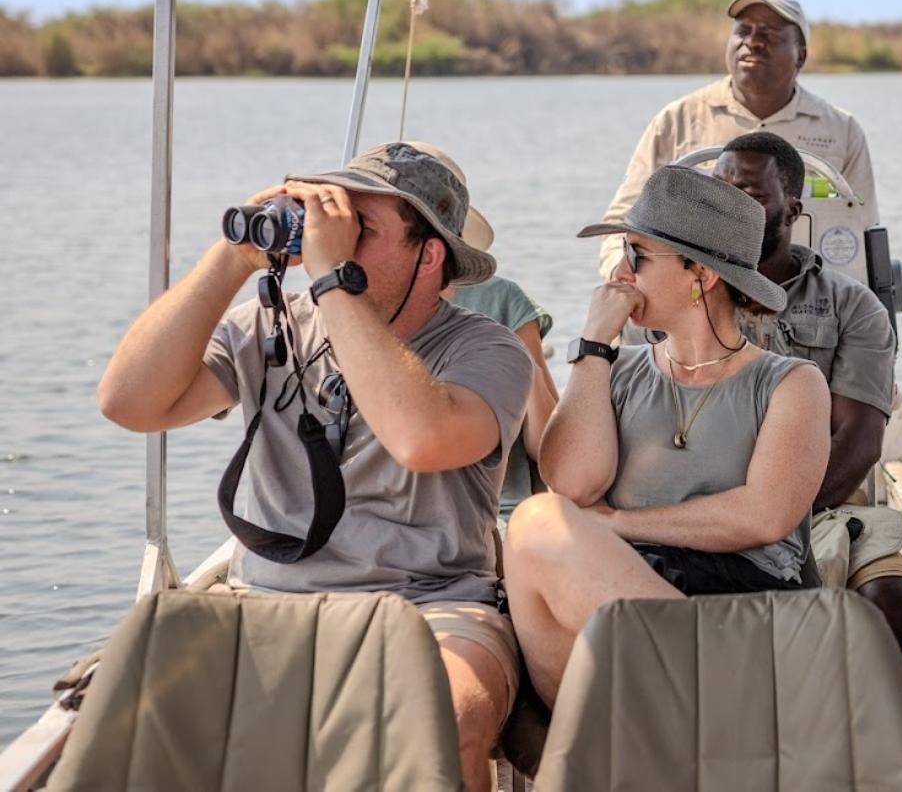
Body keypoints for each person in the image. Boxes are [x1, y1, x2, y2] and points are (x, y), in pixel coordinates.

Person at [97, 142, 534, 792]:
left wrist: (332, 280)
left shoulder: (487, 350)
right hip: (265, 599)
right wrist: (231, 260)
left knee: (447, 719)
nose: (339, 239)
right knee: (124, 721)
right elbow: (128, 404)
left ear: (430, 252)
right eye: (334, 219)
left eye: (364, 229)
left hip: (428, 604)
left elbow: (424, 438)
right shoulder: (269, 325)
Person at [503, 165, 831, 706]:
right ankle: (660, 717)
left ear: (700, 275)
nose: (619, 273)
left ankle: (685, 703)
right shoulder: (615, 369)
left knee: (539, 527)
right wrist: (592, 347)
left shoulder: (791, 384)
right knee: (536, 523)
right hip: (626, 600)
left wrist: (616, 524)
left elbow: (764, 516)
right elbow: (573, 485)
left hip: (741, 606)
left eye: (636, 255)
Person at [711, 131, 902, 654]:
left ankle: (849, 728)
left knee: (892, 595)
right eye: (721, 193)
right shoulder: (678, 292)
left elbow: (860, 440)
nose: (732, 208)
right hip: (700, 505)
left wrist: (774, 518)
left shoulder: (852, 307)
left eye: (753, 196)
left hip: (823, 506)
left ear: (794, 208)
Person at [594, 0, 877, 277]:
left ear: (800, 56)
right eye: (743, 31)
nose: (753, 42)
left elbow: (864, 228)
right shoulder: (677, 121)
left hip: (809, 303)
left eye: (771, 35)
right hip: (696, 304)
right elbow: (623, 221)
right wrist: (629, 278)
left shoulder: (841, 130)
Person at [410, 143, 560, 517]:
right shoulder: (349, 304)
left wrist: (516, 363)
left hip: (494, 512)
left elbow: (548, 449)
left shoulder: (501, 300)